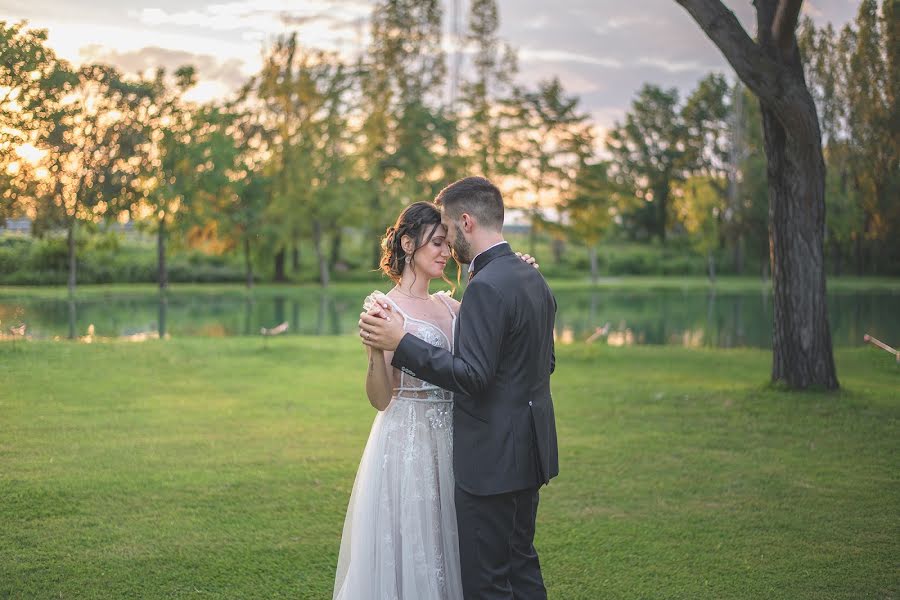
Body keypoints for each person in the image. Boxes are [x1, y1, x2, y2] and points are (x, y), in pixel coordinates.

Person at [360, 176, 559, 599]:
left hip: (486, 453)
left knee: (490, 580)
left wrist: (402, 343)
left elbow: (476, 373)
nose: (447, 248)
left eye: (446, 234)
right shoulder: (527, 278)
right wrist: (384, 349)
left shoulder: (476, 292)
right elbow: (543, 361)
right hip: (509, 449)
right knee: (517, 566)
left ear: (466, 222)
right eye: (436, 241)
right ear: (408, 245)